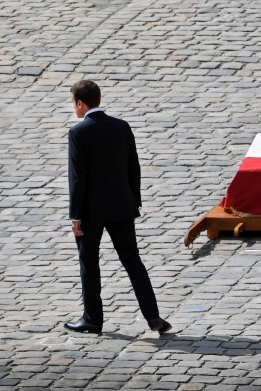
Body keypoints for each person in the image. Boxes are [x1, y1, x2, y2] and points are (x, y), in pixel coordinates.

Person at [64, 80, 171, 335]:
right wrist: (134, 203)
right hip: (123, 208)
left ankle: (93, 319)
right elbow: (134, 167)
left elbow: (78, 178)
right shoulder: (121, 127)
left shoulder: (78, 133)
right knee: (133, 261)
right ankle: (154, 317)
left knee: (89, 263)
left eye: (73, 103)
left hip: (90, 212)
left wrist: (75, 215)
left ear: (80, 103)